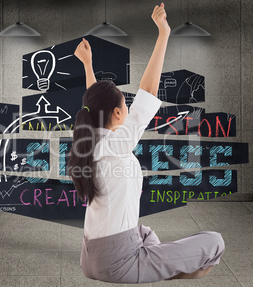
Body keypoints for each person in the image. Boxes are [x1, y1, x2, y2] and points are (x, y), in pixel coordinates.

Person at [67, 3, 225, 284]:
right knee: (214, 242)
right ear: (117, 114)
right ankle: (159, 268)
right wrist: (164, 33)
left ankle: (155, 263)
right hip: (115, 262)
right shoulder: (117, 145)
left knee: (145, 233)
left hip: (90, 257)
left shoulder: (88, 141)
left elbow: (94, 104)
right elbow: (149, 92)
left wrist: (88, 66)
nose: (128, 108)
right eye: (124, 105)